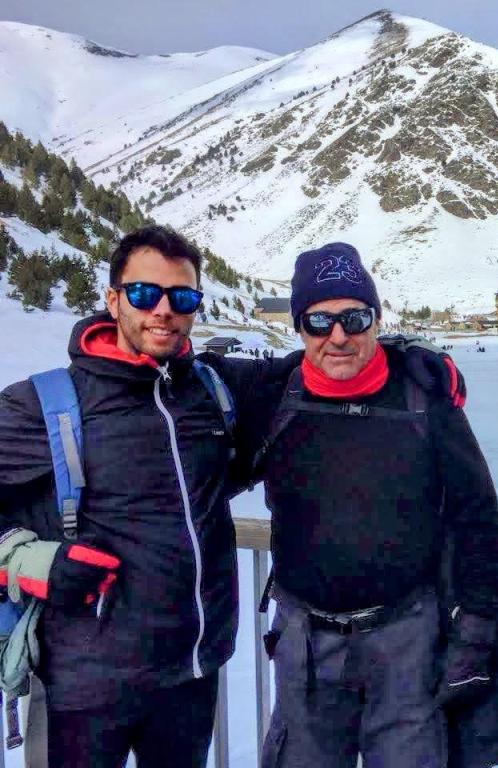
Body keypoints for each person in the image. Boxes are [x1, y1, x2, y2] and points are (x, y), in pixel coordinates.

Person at [0, 226, 462, 767]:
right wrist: (26, 559)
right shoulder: (46, 405)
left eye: (184, 297)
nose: (164, 311)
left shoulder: (210, 388)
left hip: (191, 674)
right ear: (112, 299)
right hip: (83, 685)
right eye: (145, 294)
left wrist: (404, 357)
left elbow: (315, 358)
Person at [256, 243, 498, 768]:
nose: (338, 335)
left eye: (354, 318)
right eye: (319, 320)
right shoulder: (271, 396)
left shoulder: (423, 399)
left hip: (407, 643)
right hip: (305, 644)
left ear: (376, 320)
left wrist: (474, 631)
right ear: (298, 326)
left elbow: (479, 519)